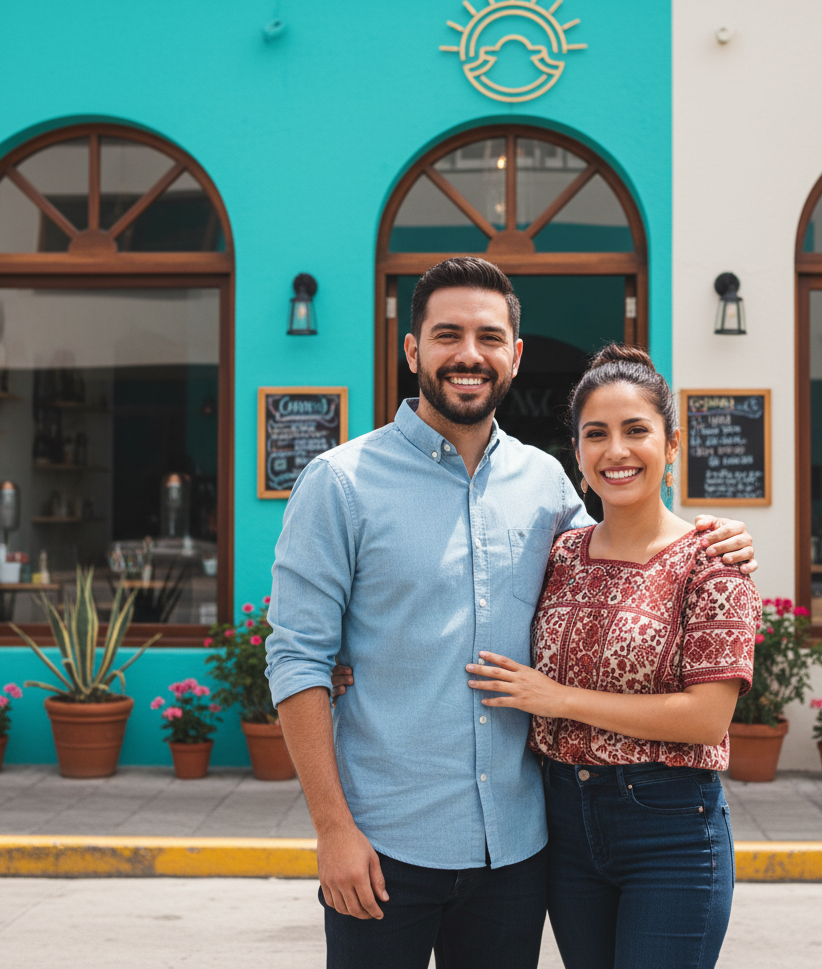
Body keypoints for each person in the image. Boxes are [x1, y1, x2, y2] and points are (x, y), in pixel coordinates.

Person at [265, 257, 756, 969]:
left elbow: (629, 550)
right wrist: (331, 827)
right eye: (447, 335)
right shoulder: (340, 483)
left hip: (518, 852)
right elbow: (297, 658)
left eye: (489, 337)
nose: (470, 355)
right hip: (385, 843)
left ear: (515, 355)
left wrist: (718, 537)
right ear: (413, 350)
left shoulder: (547, 484)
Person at [463, 344, 760, 969]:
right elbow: (465, 608)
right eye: (595, 434)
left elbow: (708, 719)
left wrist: (559, 700)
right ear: (577, 454)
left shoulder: (712, 561)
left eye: (636, 431)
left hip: (671, 826)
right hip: (564, 822)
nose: (615, 451)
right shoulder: (559, 554)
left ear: (672, 445)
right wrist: (350, 660)